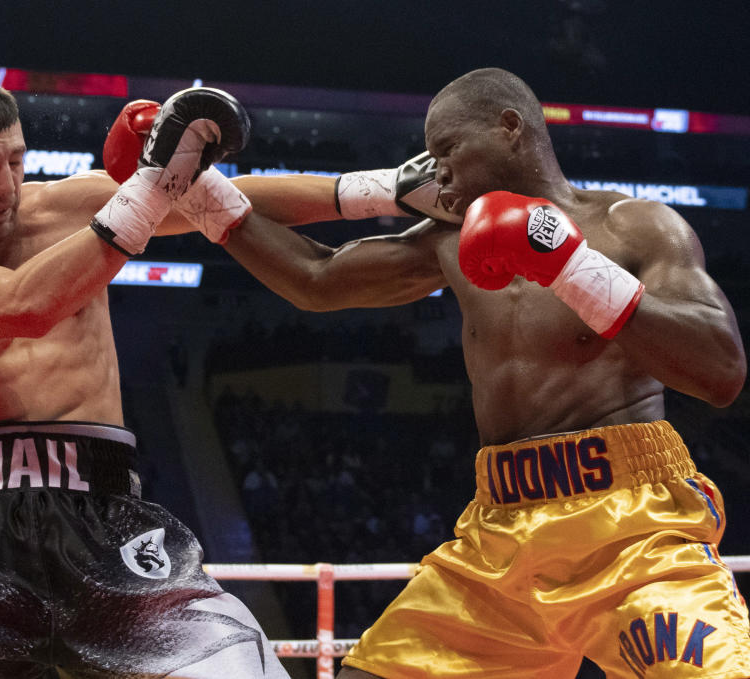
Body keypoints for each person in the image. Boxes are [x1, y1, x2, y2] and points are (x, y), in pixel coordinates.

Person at [111, 68, 749, 677]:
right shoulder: (449, 241)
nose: (436, 170)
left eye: (448, 148)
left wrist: (568, 264)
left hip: (631, 528)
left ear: (509, 127)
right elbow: (317, 279)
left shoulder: (633, 227)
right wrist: (196, 189)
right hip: (499, 535)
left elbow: (720, 370)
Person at [0, 73, 290, 678]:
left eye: (15, 160)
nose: (7, 183)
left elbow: (236, 199)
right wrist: (147, 187)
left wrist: (378, 193)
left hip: (111, 522)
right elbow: (23, 306)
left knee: (245, 668)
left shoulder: (71, 205)